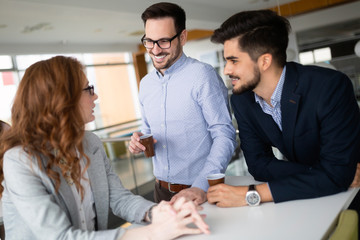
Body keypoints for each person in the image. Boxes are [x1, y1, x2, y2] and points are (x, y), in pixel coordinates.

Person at [0, 56, 210, 239]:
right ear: (63, 99)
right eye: (88, 89)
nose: (95, 96)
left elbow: (118, 197)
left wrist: (157, 212)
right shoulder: (20, 160)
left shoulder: (91, 143)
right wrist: (152, 233)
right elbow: (59, 236)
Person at [207, 10, 360, 207]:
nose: (227, 70)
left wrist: (252, 194)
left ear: (264, 61)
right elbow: (258, 165)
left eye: (233, 60)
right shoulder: (242, 100)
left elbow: (337, 175)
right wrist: (329, 174)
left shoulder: (329, 86)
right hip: (312, 195)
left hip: (352, 195)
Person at [128, 2, 236, 204]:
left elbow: (224, 134)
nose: (155, 50)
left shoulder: (202, 75)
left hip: (199, 191)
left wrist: (200, 187)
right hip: (159, 191)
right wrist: (139, 141)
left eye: (164, 41)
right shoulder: (146, 84)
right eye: (149, 41)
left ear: (183, 37)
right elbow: (148, 130)